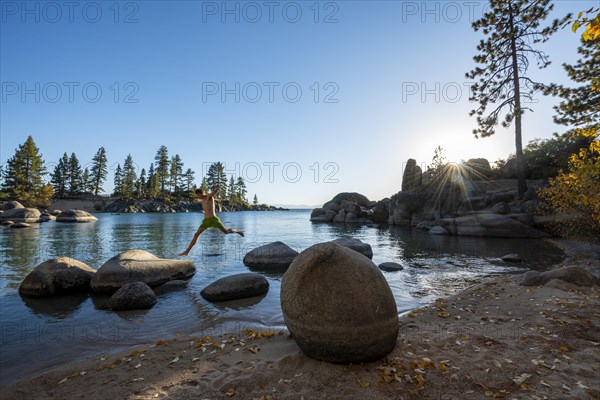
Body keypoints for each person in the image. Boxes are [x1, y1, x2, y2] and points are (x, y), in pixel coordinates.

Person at [179, 187, 244, 256]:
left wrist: (216, 190)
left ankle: (238, 231)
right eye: (197, 196)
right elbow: (198, 201)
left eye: (198, 195)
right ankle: (187, 252)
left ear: (202, 193)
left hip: (213, 219)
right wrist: (195, 200)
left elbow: (212, 194)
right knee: (196, 234)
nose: (198, 197)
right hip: (206, 221)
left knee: (226, 231)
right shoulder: (202, 200)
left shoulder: (209, 197)